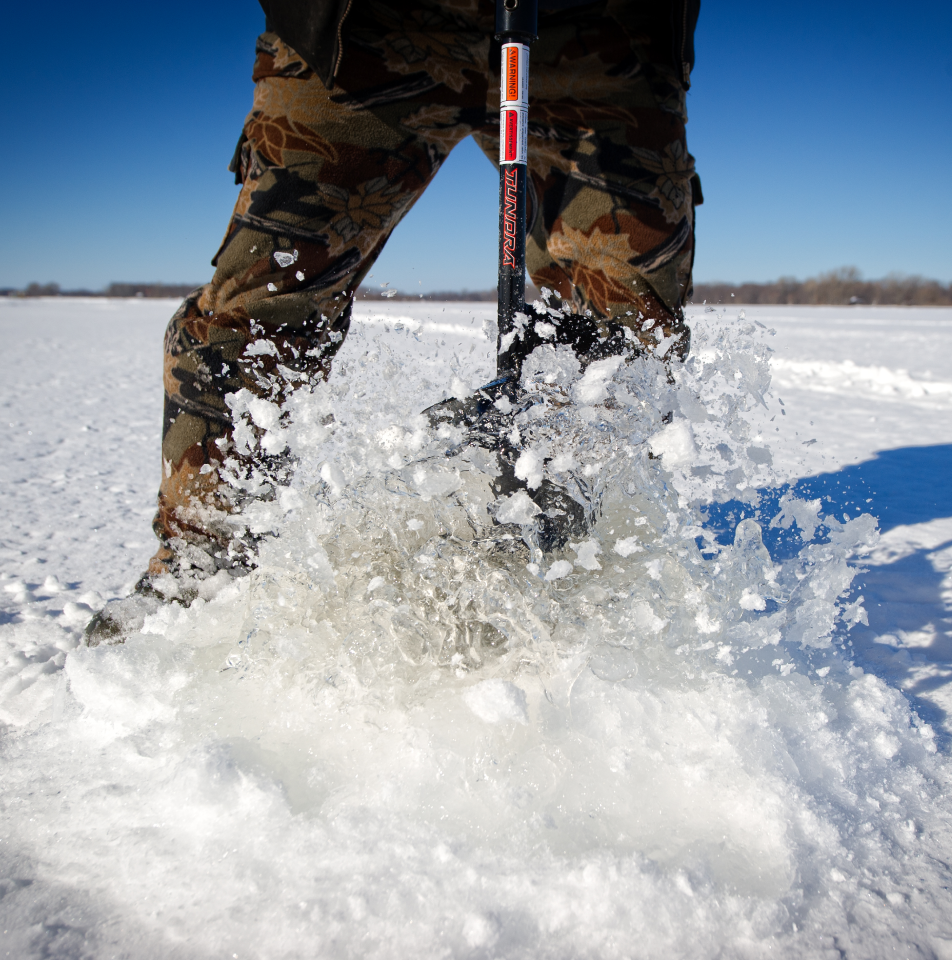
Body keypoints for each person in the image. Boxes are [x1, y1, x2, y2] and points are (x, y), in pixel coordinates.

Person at [85, 0, 702, 643]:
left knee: (625, 337)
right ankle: (204, 571)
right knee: (260, 309)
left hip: (602, 30)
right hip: (365, 27)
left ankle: (591, 564)